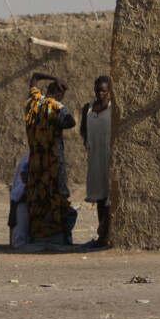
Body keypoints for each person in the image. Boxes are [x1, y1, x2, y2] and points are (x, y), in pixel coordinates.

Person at [24, 72, 76, 245]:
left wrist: (55, 77)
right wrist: (54, 123)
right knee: (58, 195)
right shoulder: (54, 106)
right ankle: (63, 236)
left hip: (35, 162)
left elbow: (34, 76)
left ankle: (35, 235)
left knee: (36, 196)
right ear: (59, 95)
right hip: (52, 162)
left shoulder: (34, 101)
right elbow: (70, 122)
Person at [79, 74, 117, 249]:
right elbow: (83, 130)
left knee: (111, 197)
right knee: (100, 198)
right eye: (97, 90)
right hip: (95, 157)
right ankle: (101, 235)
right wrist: (87, 140)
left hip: (109, 157)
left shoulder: (113, 108)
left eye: (103, 90)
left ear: (109, 90)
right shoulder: (88, 108)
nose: (100, 93)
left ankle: (107, 234)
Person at [8, 151, 30, 248]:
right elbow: (23, 175)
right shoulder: (29, 157)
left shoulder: (29, 156)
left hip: (20, 192)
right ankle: (18, 244)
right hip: (21, 192)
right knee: (20, 222)